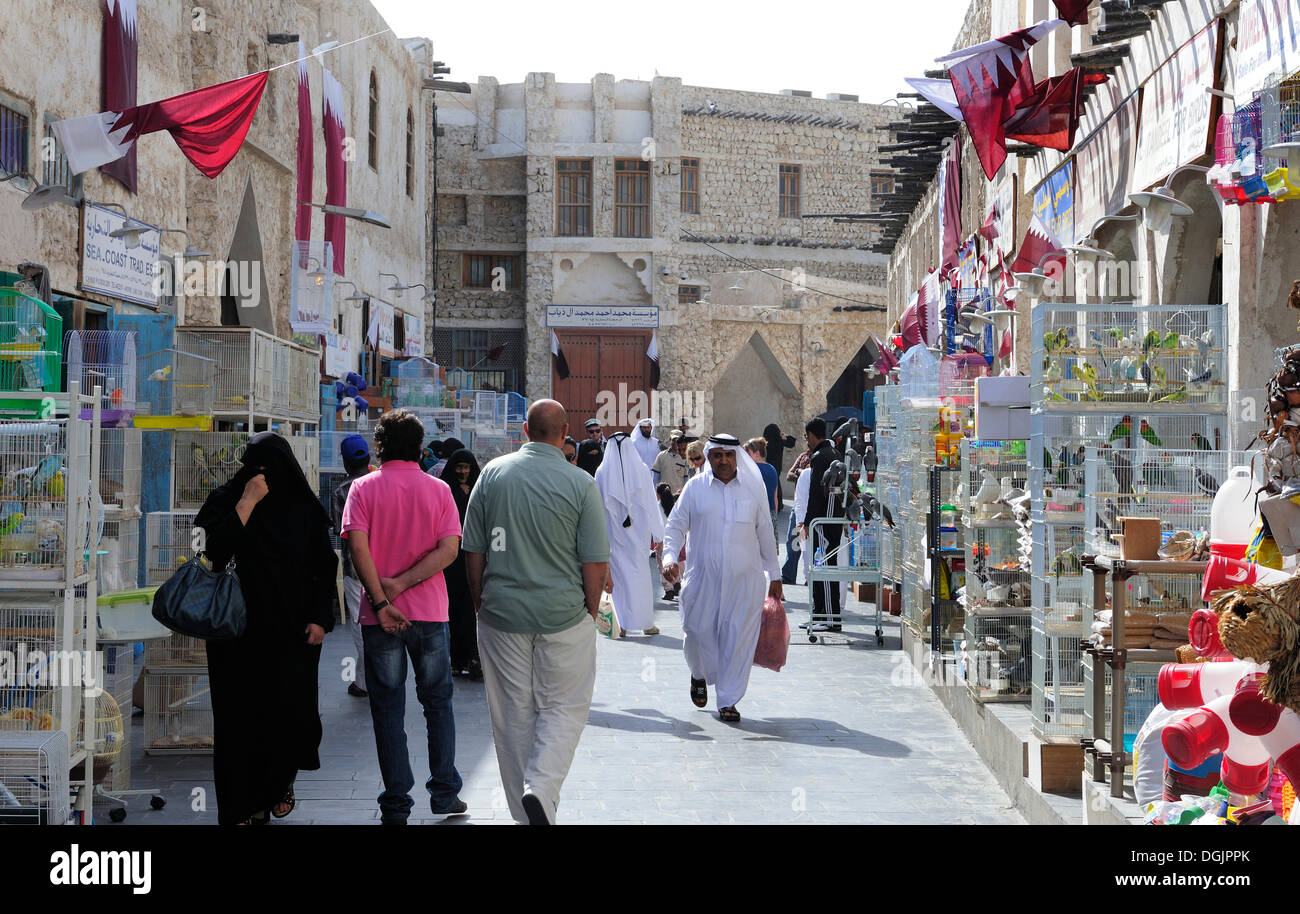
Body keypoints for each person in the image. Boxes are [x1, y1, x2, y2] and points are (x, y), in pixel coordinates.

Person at [463, 399, 610, 825]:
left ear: (525, 430)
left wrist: (480, 602)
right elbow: (594, 562)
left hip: (501, 614)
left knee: (511, 716)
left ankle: (526, 814)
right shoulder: (581, 483)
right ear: (565, 434)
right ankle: (542, 789)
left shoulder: (492, 474)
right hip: (563, 616)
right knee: (564, 707)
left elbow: (473, 550)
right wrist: (587, 610)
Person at [195, 432, 338, 825]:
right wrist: (247, 502)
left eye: (268, 468)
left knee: (288, 717)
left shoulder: (303, 508)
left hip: (291, 635)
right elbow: (209, 552)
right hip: (234, 635)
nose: (261, 475)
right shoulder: (227, 500)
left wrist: (321, 618)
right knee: (237, 723)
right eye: (254, 467)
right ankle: (240, 807)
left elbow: (324, 567)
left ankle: (277, 786)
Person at [342, 409, 467, 824]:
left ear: (379, 446)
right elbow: (449, 551)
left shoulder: (362, 489)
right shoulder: (439, 491)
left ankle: (396, 802)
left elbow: (356, 549)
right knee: (438, 704)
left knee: (388, 709)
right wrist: (404, 584)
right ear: (419, 446)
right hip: (429, 613)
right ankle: (445, 792)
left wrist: (381, 597)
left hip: (381, 618)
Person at [662, 434, 782, 723]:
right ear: (709, 457)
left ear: (737, 457)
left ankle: (728, 699)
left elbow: (765, 533)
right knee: (695, 632)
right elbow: (676, 525)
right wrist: (668, 557)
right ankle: (699, 673)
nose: (724, 461)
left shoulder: (752, 491)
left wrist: (775, 574)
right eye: (717, 455)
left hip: (745, 581)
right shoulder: (695, 489)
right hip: (702, 579)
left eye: (729, 455)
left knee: (737, 640)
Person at [595, 431, 665, 637]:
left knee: (622, 578)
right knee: (637, 576)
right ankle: (631, 624)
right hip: (631, 532)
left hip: (617, 533)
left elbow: (598, 507)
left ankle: (629, 625)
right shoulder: (638, 469)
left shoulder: (602, 471)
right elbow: (652, 504)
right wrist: (658, 534)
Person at [330, 433, 373, 698]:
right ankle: (367, 679)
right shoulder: (381, 483)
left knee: (360, 624)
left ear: (346, 463)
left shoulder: (340, 491)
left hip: (356, 569)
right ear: (368, 458)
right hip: (387, 567)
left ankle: (366, 682)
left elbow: (339, 529)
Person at [440, 448, 483, 680]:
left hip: (474, 557)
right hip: (451, 562)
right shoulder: (444, 490)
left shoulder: (479, 489)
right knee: (454, 611)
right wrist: (458, 495)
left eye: (466, 467)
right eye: (459, 467)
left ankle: (474, 658)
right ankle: (456, 659)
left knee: (472, 611)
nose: (463, 472)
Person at [800, 418, 843, 632]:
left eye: (807, 436)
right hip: (832, 518)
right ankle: (820, 614)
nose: (806, 440)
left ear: (812, 435)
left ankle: (829, 618)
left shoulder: (819, 457)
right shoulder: (835, 453)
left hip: (823, 521)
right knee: (822, 565)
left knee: (824, 566)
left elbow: (816, 494)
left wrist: (808, 522)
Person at [781, 444, 813, 584]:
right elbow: (789, 475)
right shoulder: (803, 456)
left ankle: (810, 576)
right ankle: (789, 575)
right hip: (798, 506)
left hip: (813, 507)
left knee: (811, 545)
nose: (807, 441)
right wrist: (802, 473)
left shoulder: (821, 458)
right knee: (794, 542)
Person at [745, 437, 780, 542]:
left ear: (757, 453)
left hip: (755, 516)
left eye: (748, 453)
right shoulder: (772, 469)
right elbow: (775, 497)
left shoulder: (751, 469)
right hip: (771, 514)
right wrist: (774, 515)